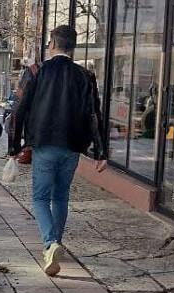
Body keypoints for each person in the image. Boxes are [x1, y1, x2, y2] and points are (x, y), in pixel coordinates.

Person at [11, 25, 107, 276]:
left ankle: (50, 244)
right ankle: (55, 244)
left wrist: (14, 146)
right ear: (72, 48)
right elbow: (94, 114)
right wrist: (101, 152)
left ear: (52, 44)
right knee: (61, 197)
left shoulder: (36, 71)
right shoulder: (85, 76)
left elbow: (19, 109)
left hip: (44, 144)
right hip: (72, 146)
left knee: (40, 198)